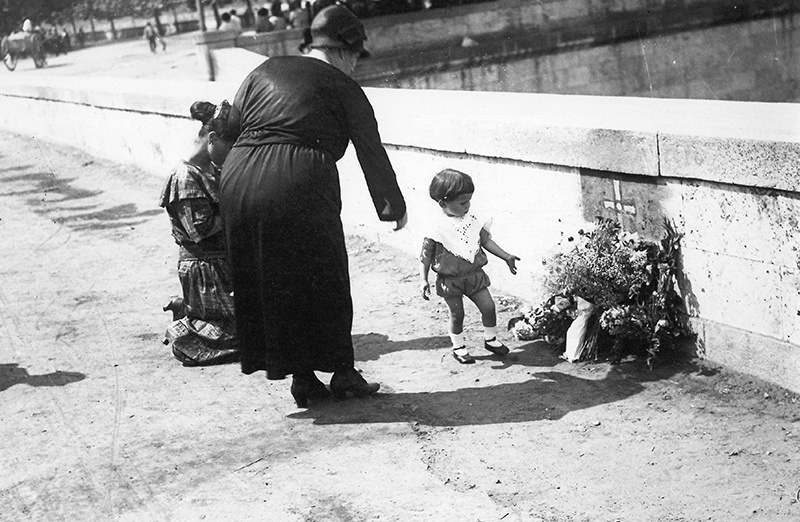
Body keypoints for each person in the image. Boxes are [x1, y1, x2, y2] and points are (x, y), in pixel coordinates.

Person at [220, 5, 407, 408]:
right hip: (297, 177)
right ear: (345, 50)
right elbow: (370, 150)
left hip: (238, 177)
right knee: (325, 273)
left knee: (273, 279)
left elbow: (231, 128)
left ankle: (302, 379)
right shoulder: (344, 86)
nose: (357, 65)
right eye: (357, 56)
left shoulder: (264, 70)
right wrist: (392, 207)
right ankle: (343, 373)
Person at [160, 100, 240, 367]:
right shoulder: (185, 177)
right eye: (230, 148)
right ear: (213, 138)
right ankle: (189, 327)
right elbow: (200, 230)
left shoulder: (211, 169)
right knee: (255, 337)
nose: (232, 155)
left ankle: (192, 311)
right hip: (205, 268)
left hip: (222, 262)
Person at [419, 168, 520, 364]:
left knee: (489, 307)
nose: (468, 206)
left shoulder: (472, 220)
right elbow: (425, 255)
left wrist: (506, 256)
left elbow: (486, 241)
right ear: (443, 203)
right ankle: (458, 347)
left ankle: (490, 339)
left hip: (474, 276)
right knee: (457, 314)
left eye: (469, 201)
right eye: (463, 202)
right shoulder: (435, 228)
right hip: (451, 281)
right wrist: (423, 279)